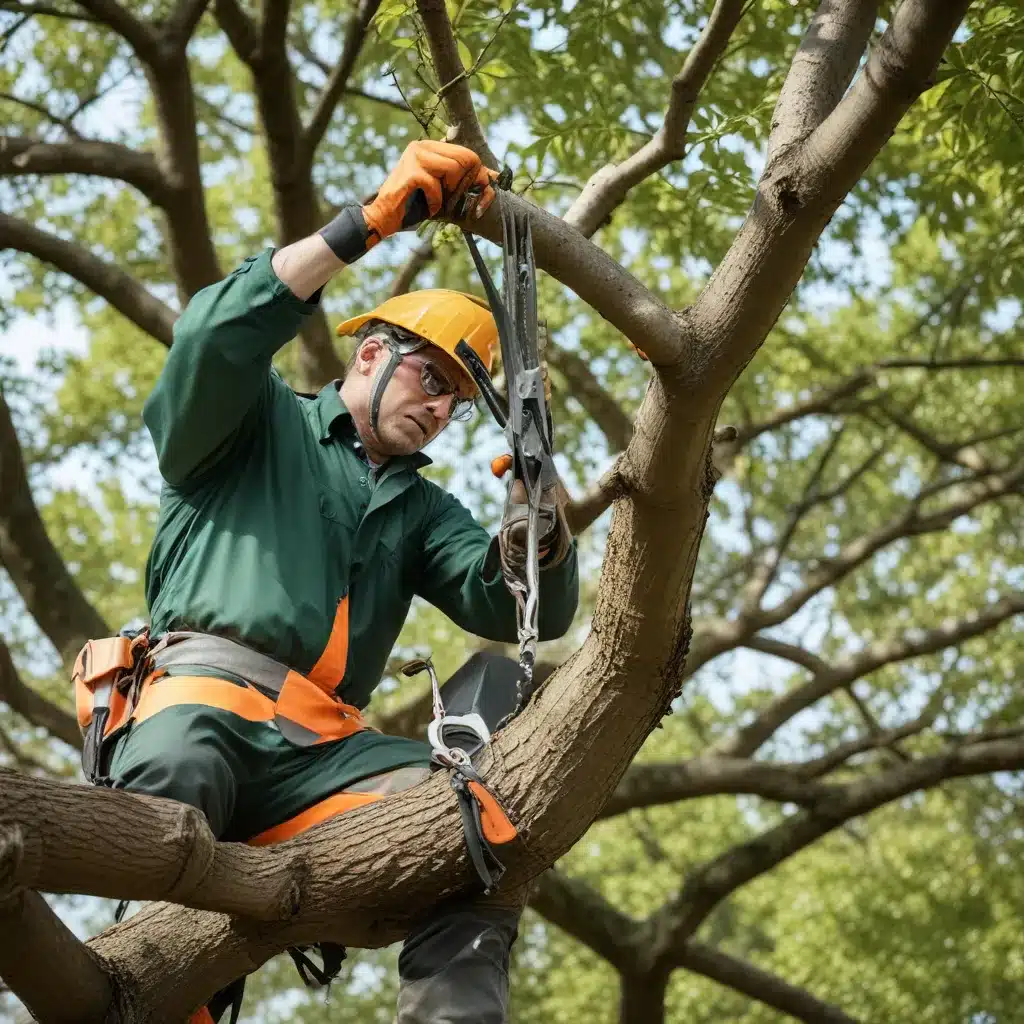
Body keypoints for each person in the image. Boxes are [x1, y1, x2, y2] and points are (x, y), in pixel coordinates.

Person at [101, 140, 579, 1024]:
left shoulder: (424, 510)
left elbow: (522, 611)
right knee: (179, 780)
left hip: (322, 758)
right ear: (370, 358)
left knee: (476, 829)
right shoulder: (253, 424)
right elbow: (212, 335)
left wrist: (537, 515)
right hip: (196, 704)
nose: (438, 408)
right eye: (431, 378)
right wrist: (364, 225)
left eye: (456, 401)